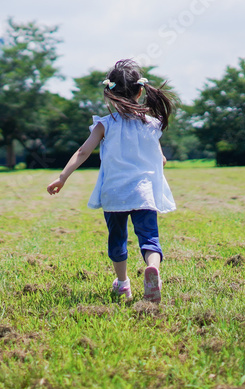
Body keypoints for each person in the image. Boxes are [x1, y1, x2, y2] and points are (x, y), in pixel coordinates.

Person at [46, 59, 178, 303]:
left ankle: (124, 285)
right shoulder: (152, 124)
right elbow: (160, 160)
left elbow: (83, 152)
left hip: (115, 193)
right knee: (149, 238)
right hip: (144, 193)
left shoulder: (105, 124)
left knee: (117, 239)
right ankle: (153, 271)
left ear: (110, 94)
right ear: (140, 91)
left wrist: (62, 177)